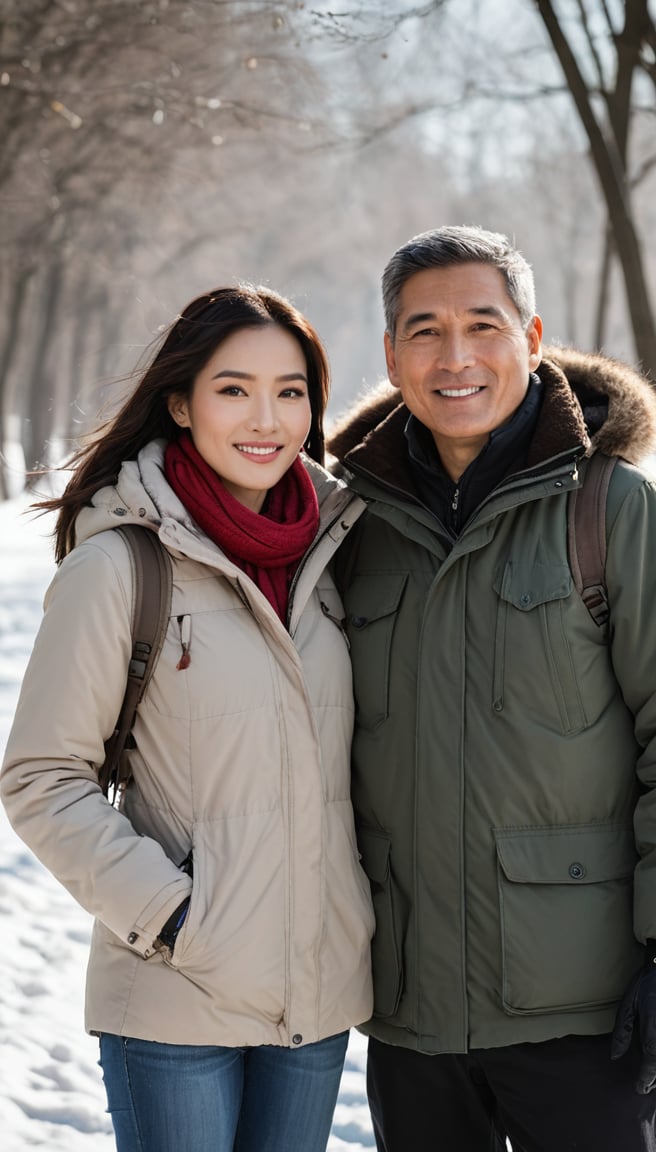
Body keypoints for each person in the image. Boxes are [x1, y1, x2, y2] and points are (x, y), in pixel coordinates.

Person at [327, 225, 656, 1152]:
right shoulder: (350, 524)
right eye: (425, 331)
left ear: (531, 334)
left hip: (586, 1010)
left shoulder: (619, 508)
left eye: (484, 324)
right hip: (410, 1007)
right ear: (392, 355)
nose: (457, 356)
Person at [1, 284, 374, 1152]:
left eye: (291, 391)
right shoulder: (122, 565)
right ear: (181, 402)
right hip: (177, 994)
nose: (267, 417)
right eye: (234, 388)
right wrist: (172, 917)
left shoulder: (341, 554)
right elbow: (40, 777)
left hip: (315, 995)